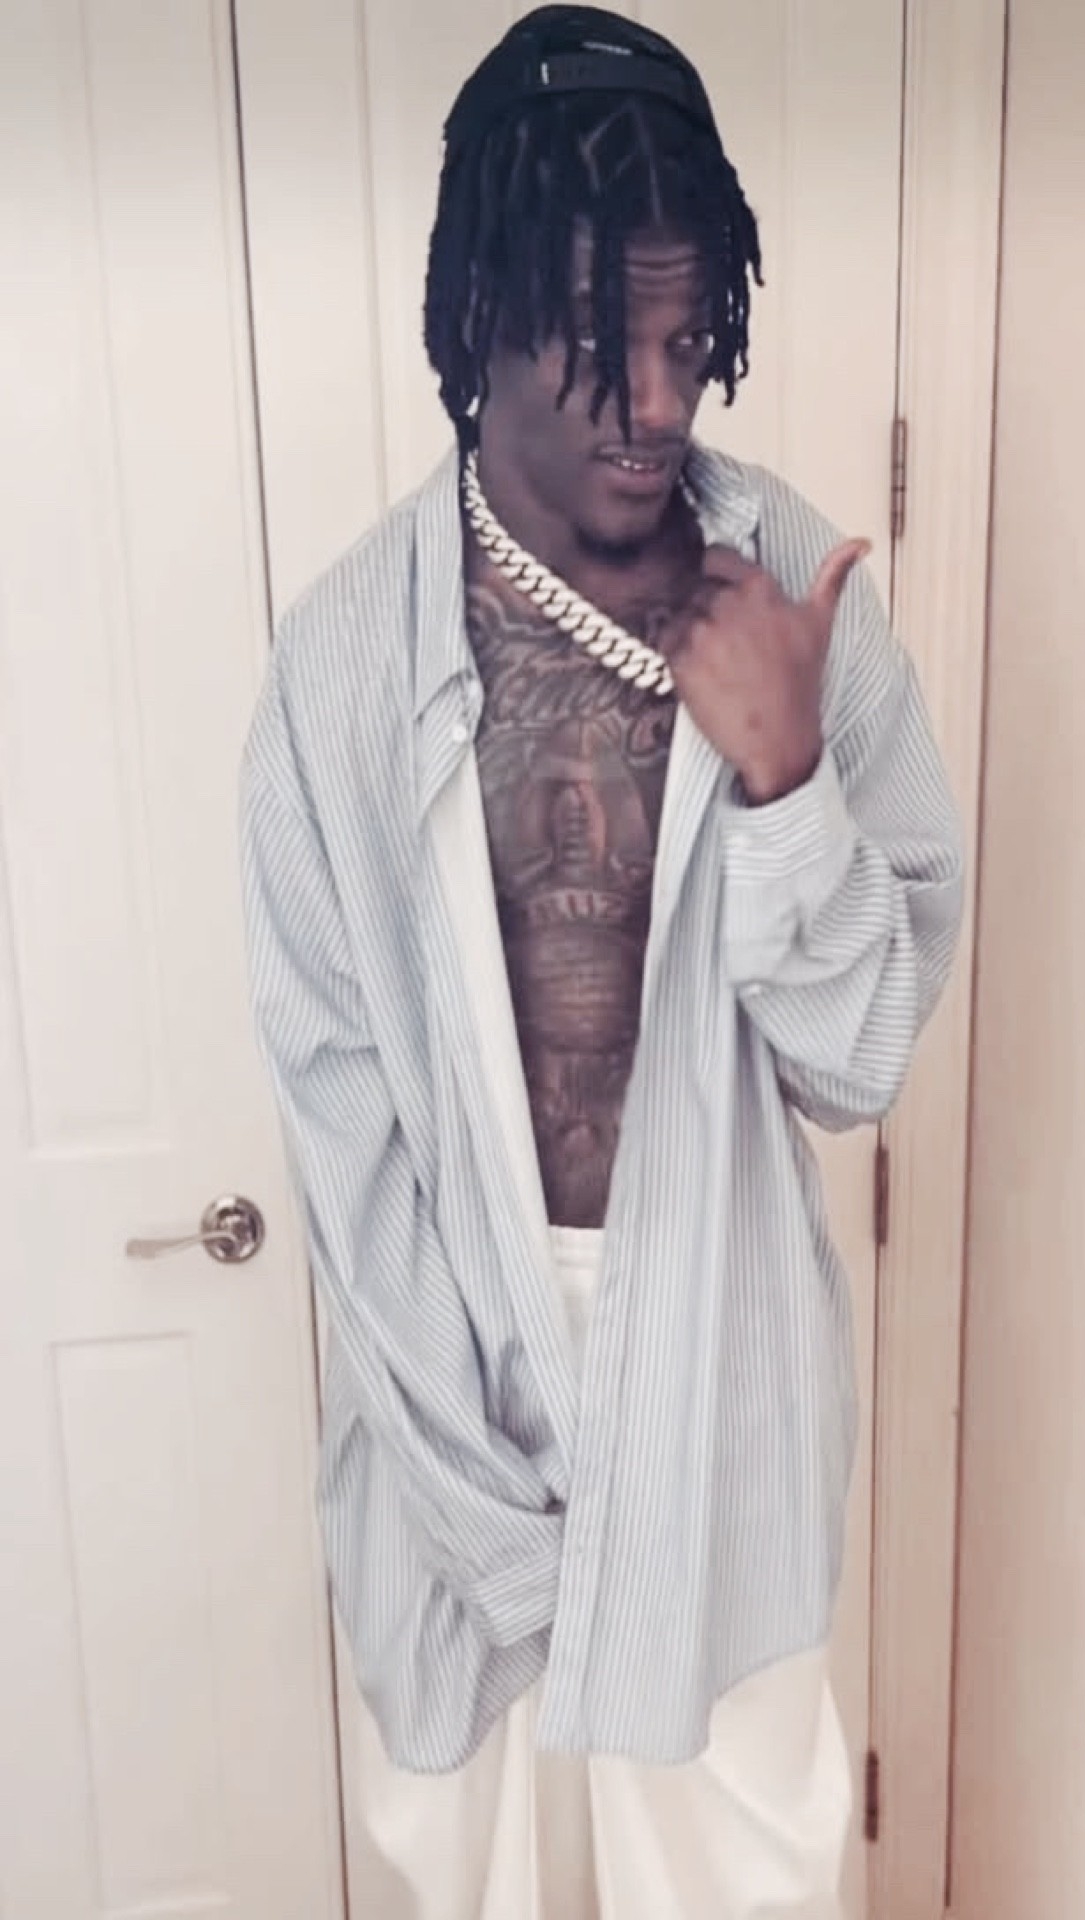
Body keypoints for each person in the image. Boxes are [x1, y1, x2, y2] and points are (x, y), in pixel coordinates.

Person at [239, 8, 964, 1915]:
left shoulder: (794, 599)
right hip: (448, 1383)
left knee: (740, 1878)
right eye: (594, 346)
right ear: (475, 323)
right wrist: (490, 1519)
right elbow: (349, 1144)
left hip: (720, 1361)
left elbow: (862, 1061)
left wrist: (787, 783)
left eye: (684, 343)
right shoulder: (339, 671)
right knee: (477, 1878)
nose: (653, 408)